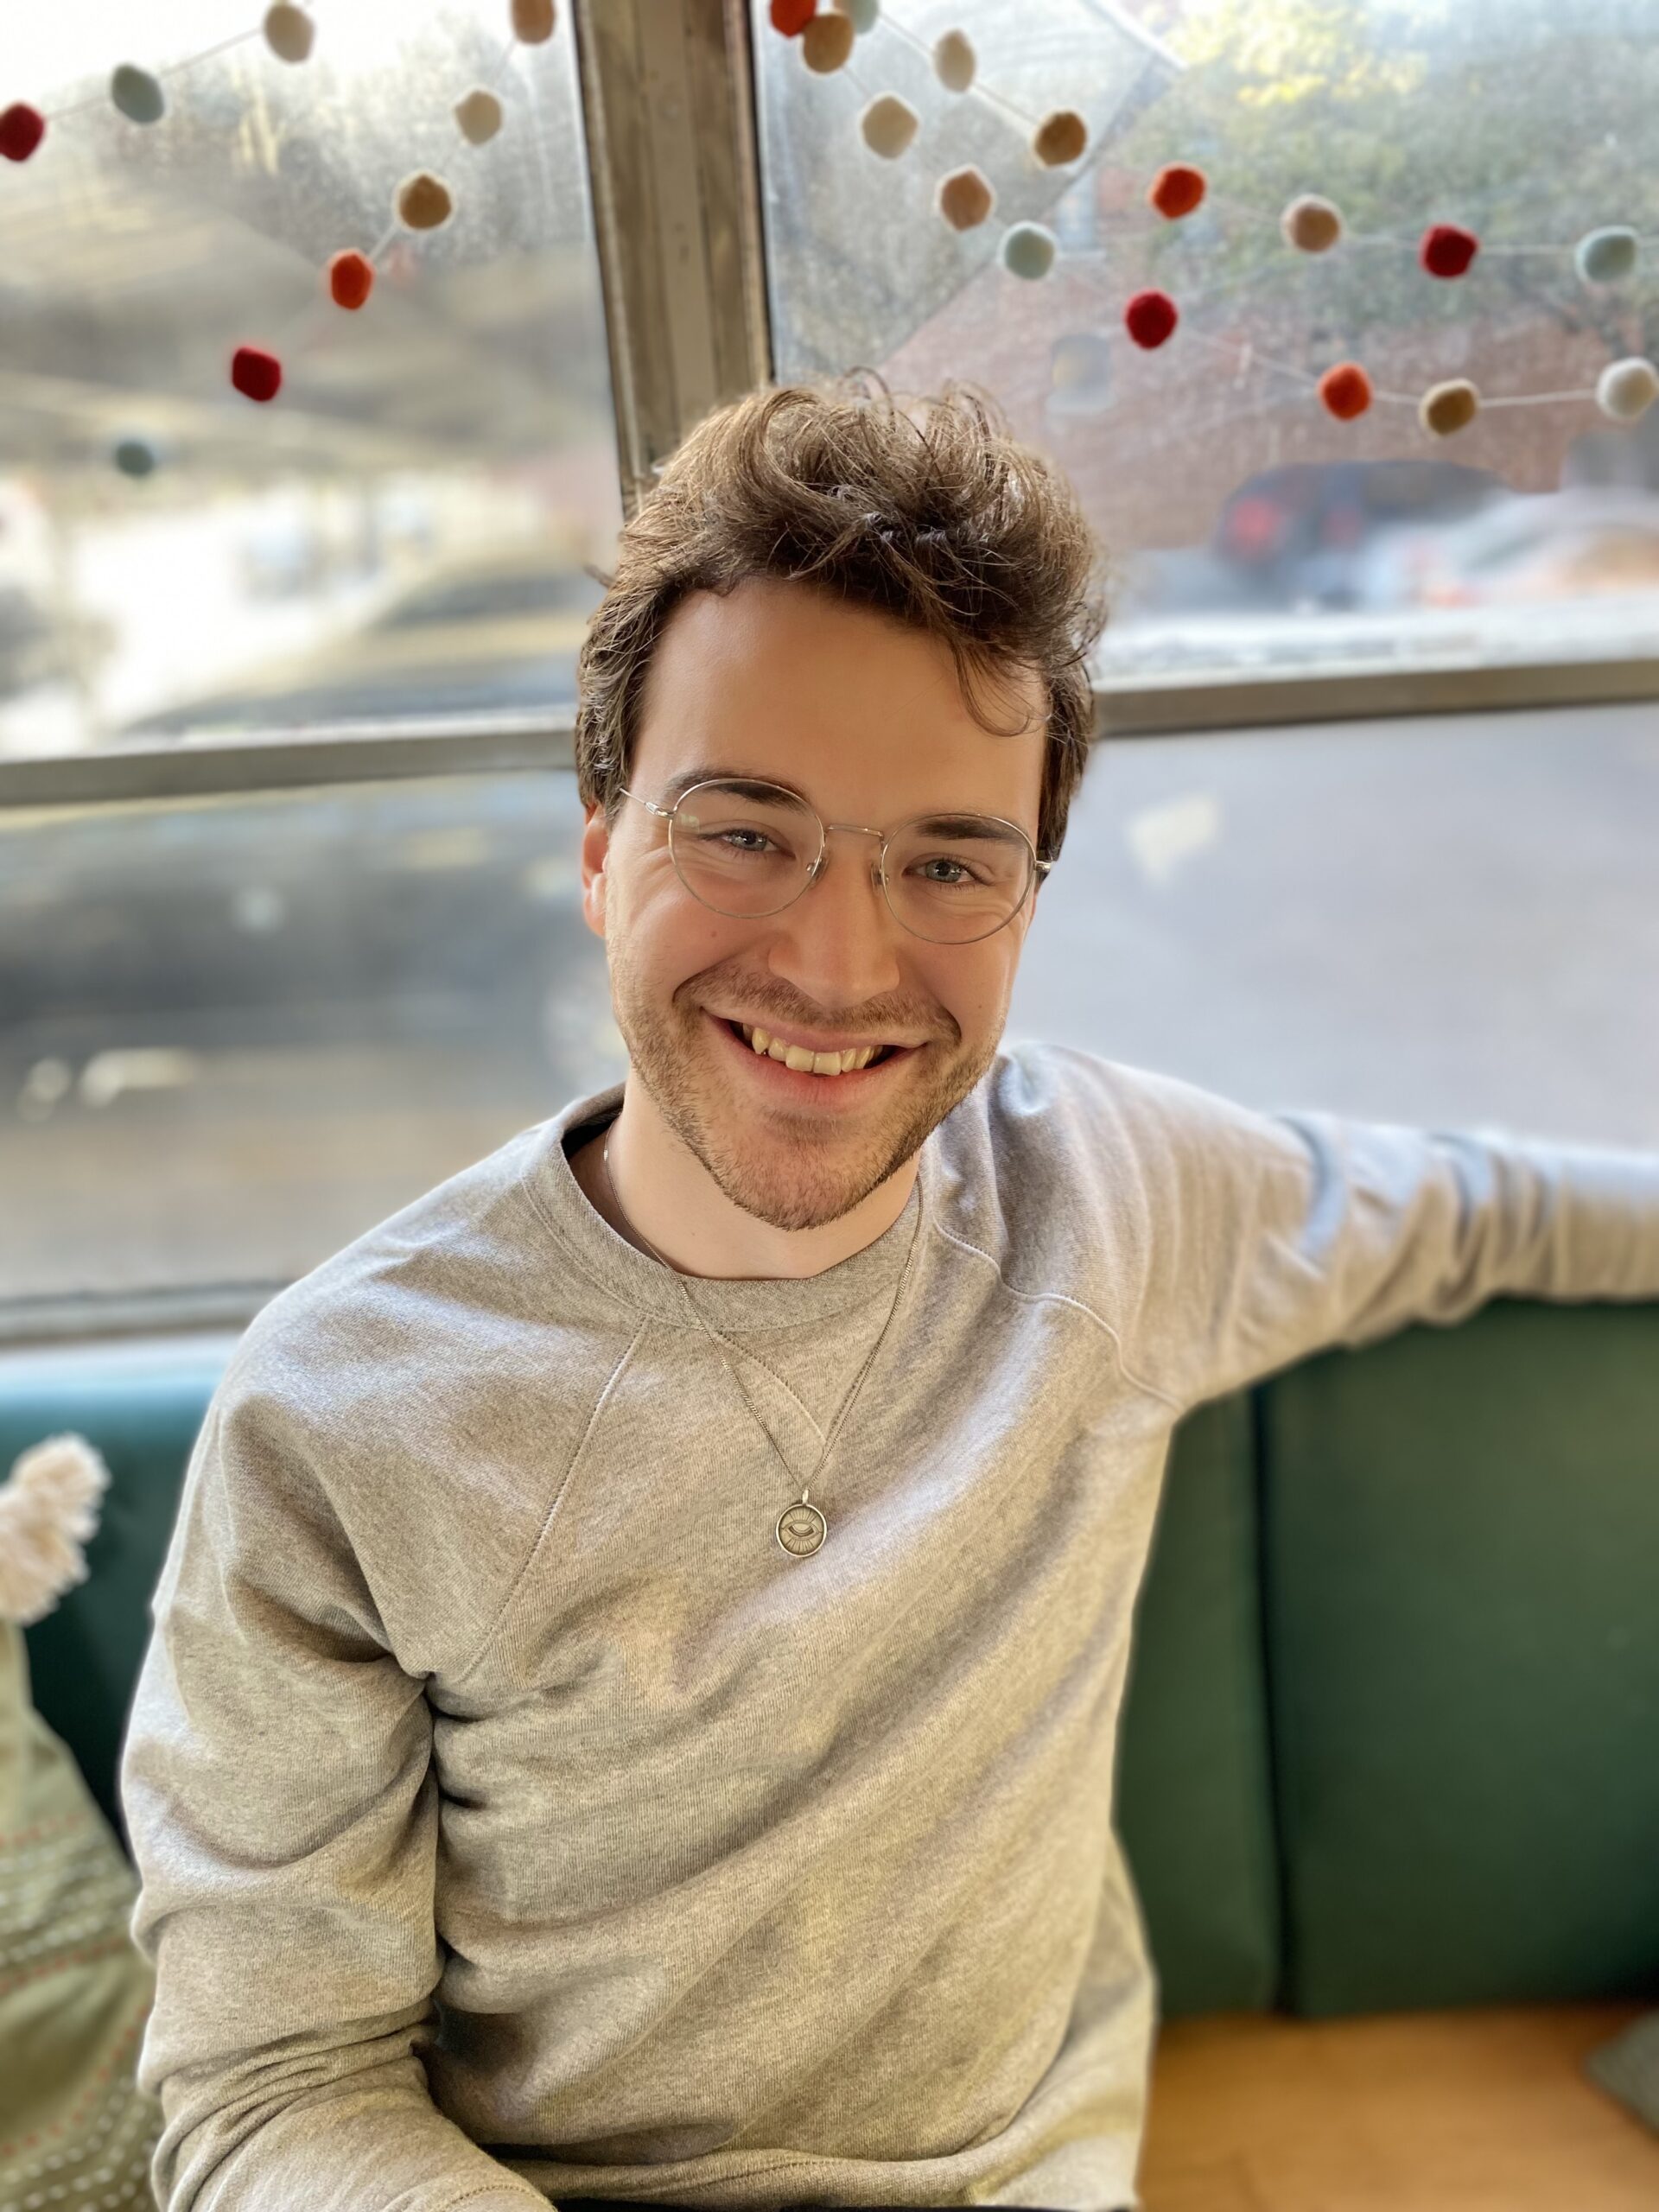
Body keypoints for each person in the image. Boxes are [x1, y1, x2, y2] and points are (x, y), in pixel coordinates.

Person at [120, 376, 1659, 2212]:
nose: (840, 962)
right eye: (746, 827)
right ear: (603, 850)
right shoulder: (340, 1410)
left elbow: (1471, 1206)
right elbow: (272, 2080)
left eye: (946, 860)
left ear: (1025, 901)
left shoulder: (1112, 1195)